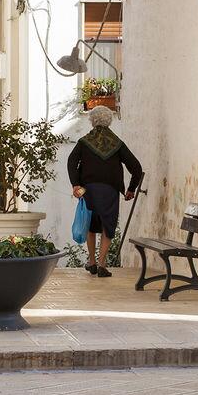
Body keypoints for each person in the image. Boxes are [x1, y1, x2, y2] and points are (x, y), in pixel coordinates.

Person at [67, 105, 142, 277]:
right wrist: (131, 189)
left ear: (92, 121)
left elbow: (72, 162)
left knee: (90, 224)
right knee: (108, 225)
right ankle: (102, 264)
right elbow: (136, 168)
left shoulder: (84, 142)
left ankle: (91, 261)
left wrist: (76, 184)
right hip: (110, 191)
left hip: (88, 191)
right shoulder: (117, 144)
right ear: (109, 121)